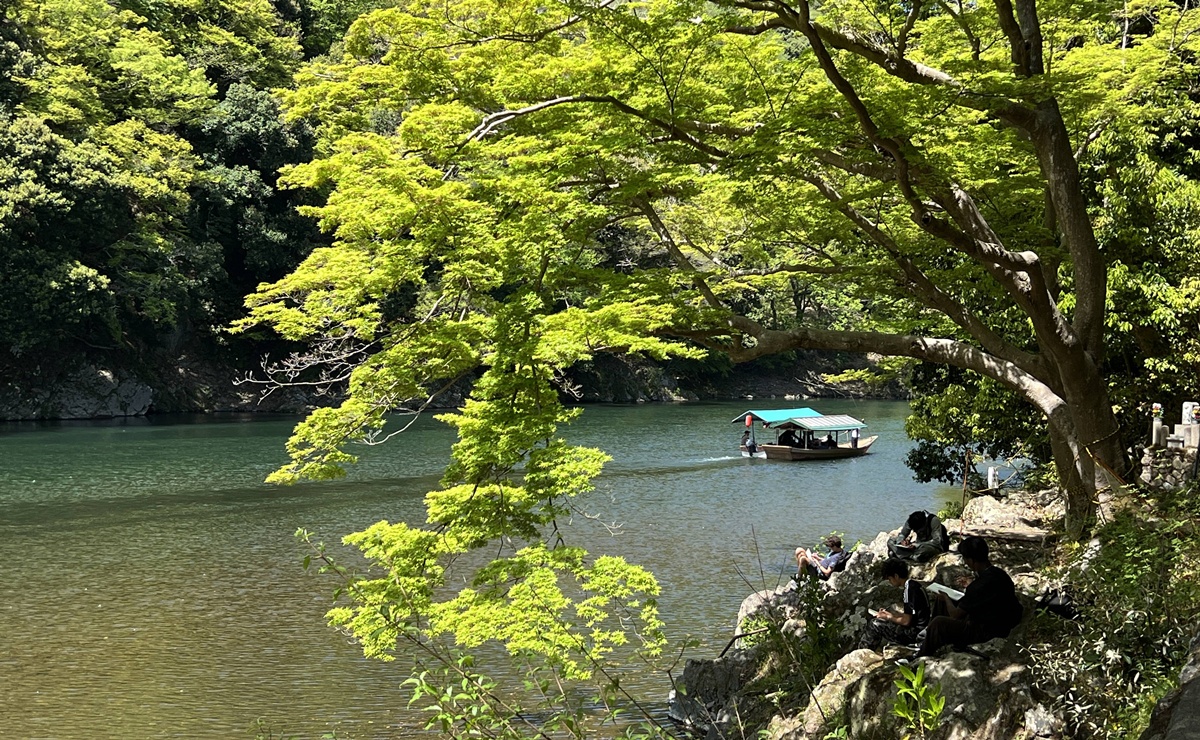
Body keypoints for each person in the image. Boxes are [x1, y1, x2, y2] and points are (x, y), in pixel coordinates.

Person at [914, 536, 1023, 657]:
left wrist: (946, 598)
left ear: (971, 560)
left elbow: (956, 615)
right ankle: (930, 635)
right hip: (999, 621)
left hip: (985, 630)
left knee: (938, 622)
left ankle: (922, 653)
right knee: (945, 604)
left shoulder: (978, 586)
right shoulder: (1000, 574)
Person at [858, 558, 931, 651]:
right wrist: (890, 615)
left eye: (889, 579)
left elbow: (906, 621)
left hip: (915, 634)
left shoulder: (910, 590)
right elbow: (912, 616)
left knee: (875, 624)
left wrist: (888, 617)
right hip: (922, 629)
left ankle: (863, 651)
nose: (889, 582)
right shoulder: (915, 585)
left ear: (896, 576)